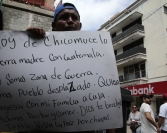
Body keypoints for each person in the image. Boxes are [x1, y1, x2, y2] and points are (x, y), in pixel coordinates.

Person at [27, 2, 115, 133]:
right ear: (54, 26)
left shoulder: (95, 56)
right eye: (64, 17)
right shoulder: (40, 51)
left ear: (79, 26)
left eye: (74, 18)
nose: (70, 21)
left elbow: (105, 96)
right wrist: (27, 41)